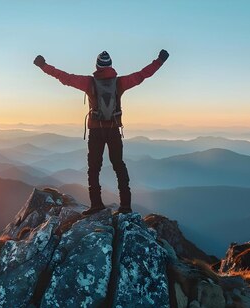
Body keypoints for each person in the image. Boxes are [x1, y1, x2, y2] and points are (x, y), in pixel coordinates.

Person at [33, 49, 169, 215]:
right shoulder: (120, 83)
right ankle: (125, 206)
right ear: (111, 65)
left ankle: (96, 204)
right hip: (113, 130)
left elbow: (65, 77)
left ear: (97, 66)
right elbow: (143, 74)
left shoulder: (88, 83)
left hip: (96, 131)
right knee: (119, 166)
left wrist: (43, 66)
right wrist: (160, 61)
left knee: (93, 168)